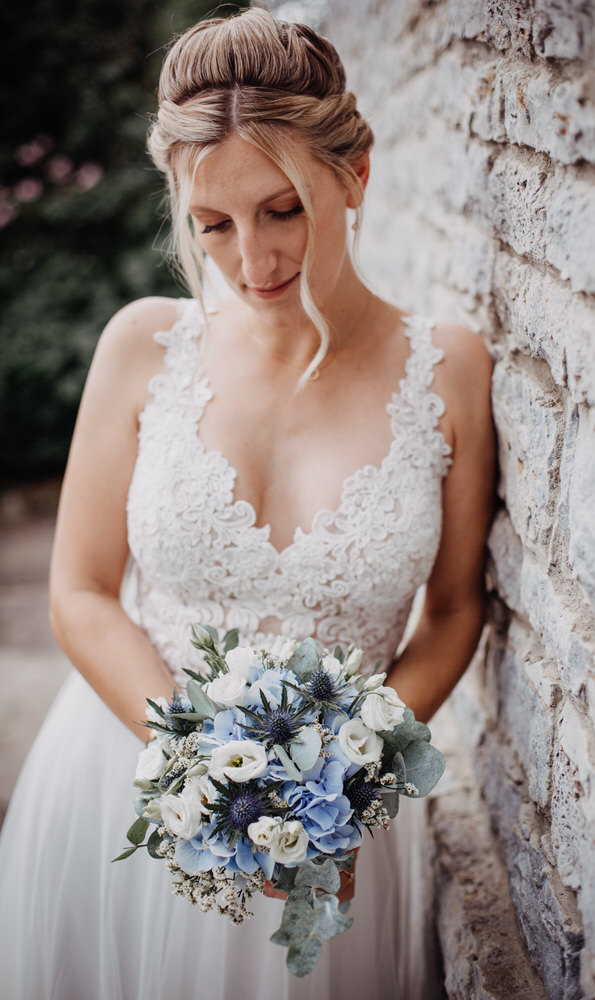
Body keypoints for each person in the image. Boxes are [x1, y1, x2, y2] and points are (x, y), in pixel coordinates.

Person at [0, 8, 495, 999]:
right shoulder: (142, 345)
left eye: (283, 209)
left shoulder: (449, 371)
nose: (251, 260)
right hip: (127, 778)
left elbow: (451, 614)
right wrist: (202, 768)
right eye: (211, 224)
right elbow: (84, 593)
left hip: (334, 830)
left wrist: (342, 785)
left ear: (353, 177)